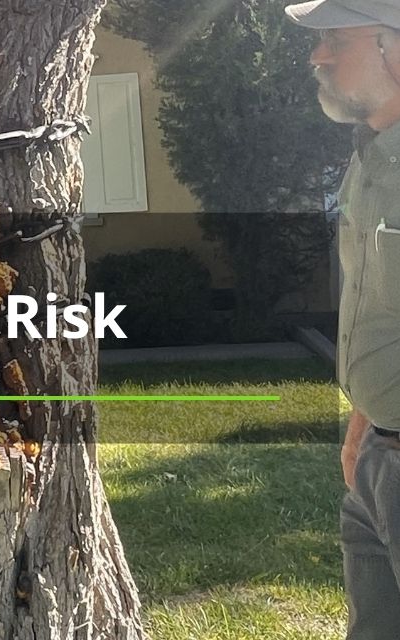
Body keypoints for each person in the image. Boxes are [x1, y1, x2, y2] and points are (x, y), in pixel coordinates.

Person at [285, 1, 400, 638]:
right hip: (377, 465)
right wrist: (366, 421)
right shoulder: (371, 156)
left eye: (336, 40)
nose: (317, 57)